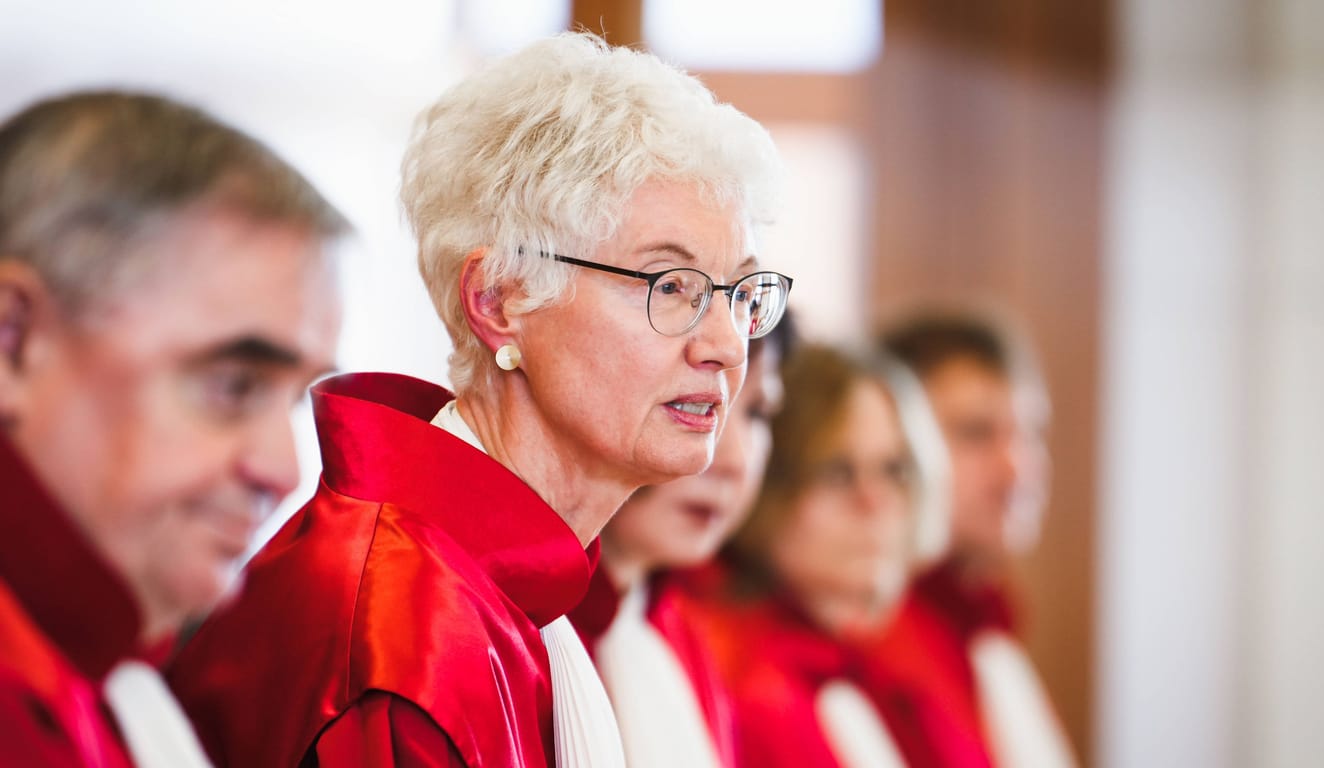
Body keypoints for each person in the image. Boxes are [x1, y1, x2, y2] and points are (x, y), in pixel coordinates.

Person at [168, 32, 789, 768]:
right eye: (670, 286)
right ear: (498, 300)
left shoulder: (517, 588)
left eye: (740, 292)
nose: (722, 343)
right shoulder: (406, 633)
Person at [0, 91, 346, 766]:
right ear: (14, 342)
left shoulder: (106, 667)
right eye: (234, 386)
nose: (285, 470)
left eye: (295, 400)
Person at [690, 343, 992, 767]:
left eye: (894, 470)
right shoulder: (736, 672)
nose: (874, 501)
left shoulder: (904, 655)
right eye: (837, 471)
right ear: (770, 483)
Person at [568, 315, 793, 768]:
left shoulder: (682, 631)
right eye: (693, 403)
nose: (731, 459)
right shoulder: (526, 631)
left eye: (756, 413)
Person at [882, 313, 1075, 767]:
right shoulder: (876, 644)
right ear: (896, 446)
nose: (1017, 468)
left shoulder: (986, 630)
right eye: (976, 433)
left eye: (1030, 434)